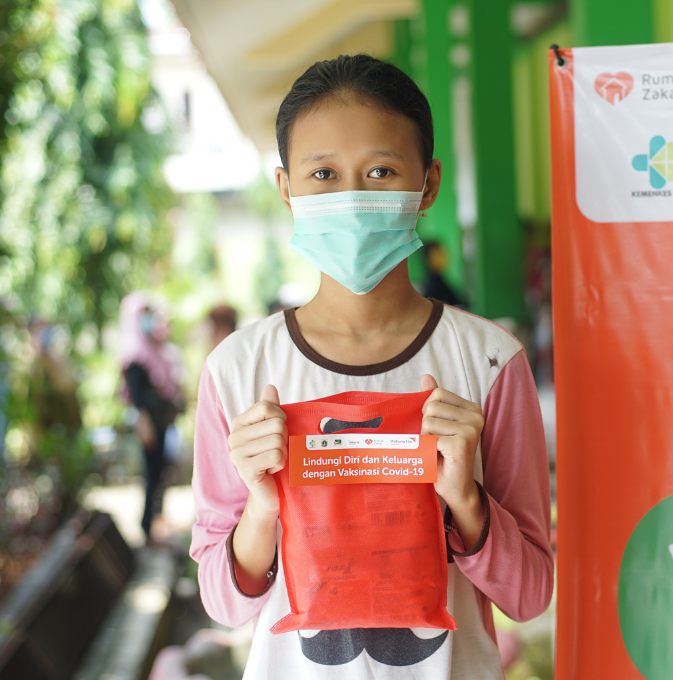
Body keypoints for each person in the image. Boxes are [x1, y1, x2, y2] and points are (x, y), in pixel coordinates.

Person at [189, 55, 553, 679]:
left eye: (381, 171)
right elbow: (223, 605)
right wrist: (262, 507)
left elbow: (531, 595)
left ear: (428, 184)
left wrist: (465, 500)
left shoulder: (490, 359)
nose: (351, 198)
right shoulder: (237, 370)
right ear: (286, 189)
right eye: (323, 173)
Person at [120, 293, 184, 543]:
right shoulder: (135, 355)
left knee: (161, 471)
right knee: (152, 474)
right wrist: (144, 424)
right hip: (149, 425)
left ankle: (156, 522)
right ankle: (147, 527)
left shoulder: (154, 349)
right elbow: (137, 399)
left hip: (161, 422)